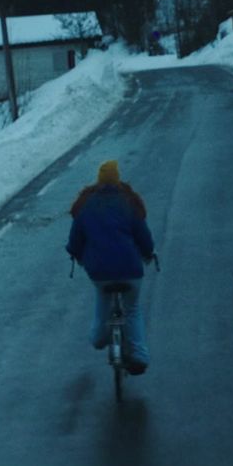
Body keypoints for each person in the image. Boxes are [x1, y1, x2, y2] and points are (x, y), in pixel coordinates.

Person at [67, 160, 156, 375]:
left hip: (99, 271)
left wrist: (78, 257)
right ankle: (140, 356)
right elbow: (145, 240)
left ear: (98, 181)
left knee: (102, 301)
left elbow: (75, 242)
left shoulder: (86, 205)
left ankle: (99, 338)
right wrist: (147, 254)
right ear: (118, 180)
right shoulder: (130, 203)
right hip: (130, 269)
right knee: (132, 310)